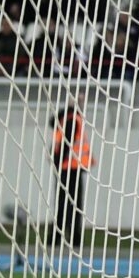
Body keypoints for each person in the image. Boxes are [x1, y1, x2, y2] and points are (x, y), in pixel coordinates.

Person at [50, 102, 93, 246]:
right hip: (70, 168)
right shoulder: (72, 121)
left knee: (65, 203)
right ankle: (69, 236)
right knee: (70, 204)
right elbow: (66, 143)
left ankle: (61, 236)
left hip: (68, 168)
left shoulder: (67, 120)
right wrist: (58, 161)